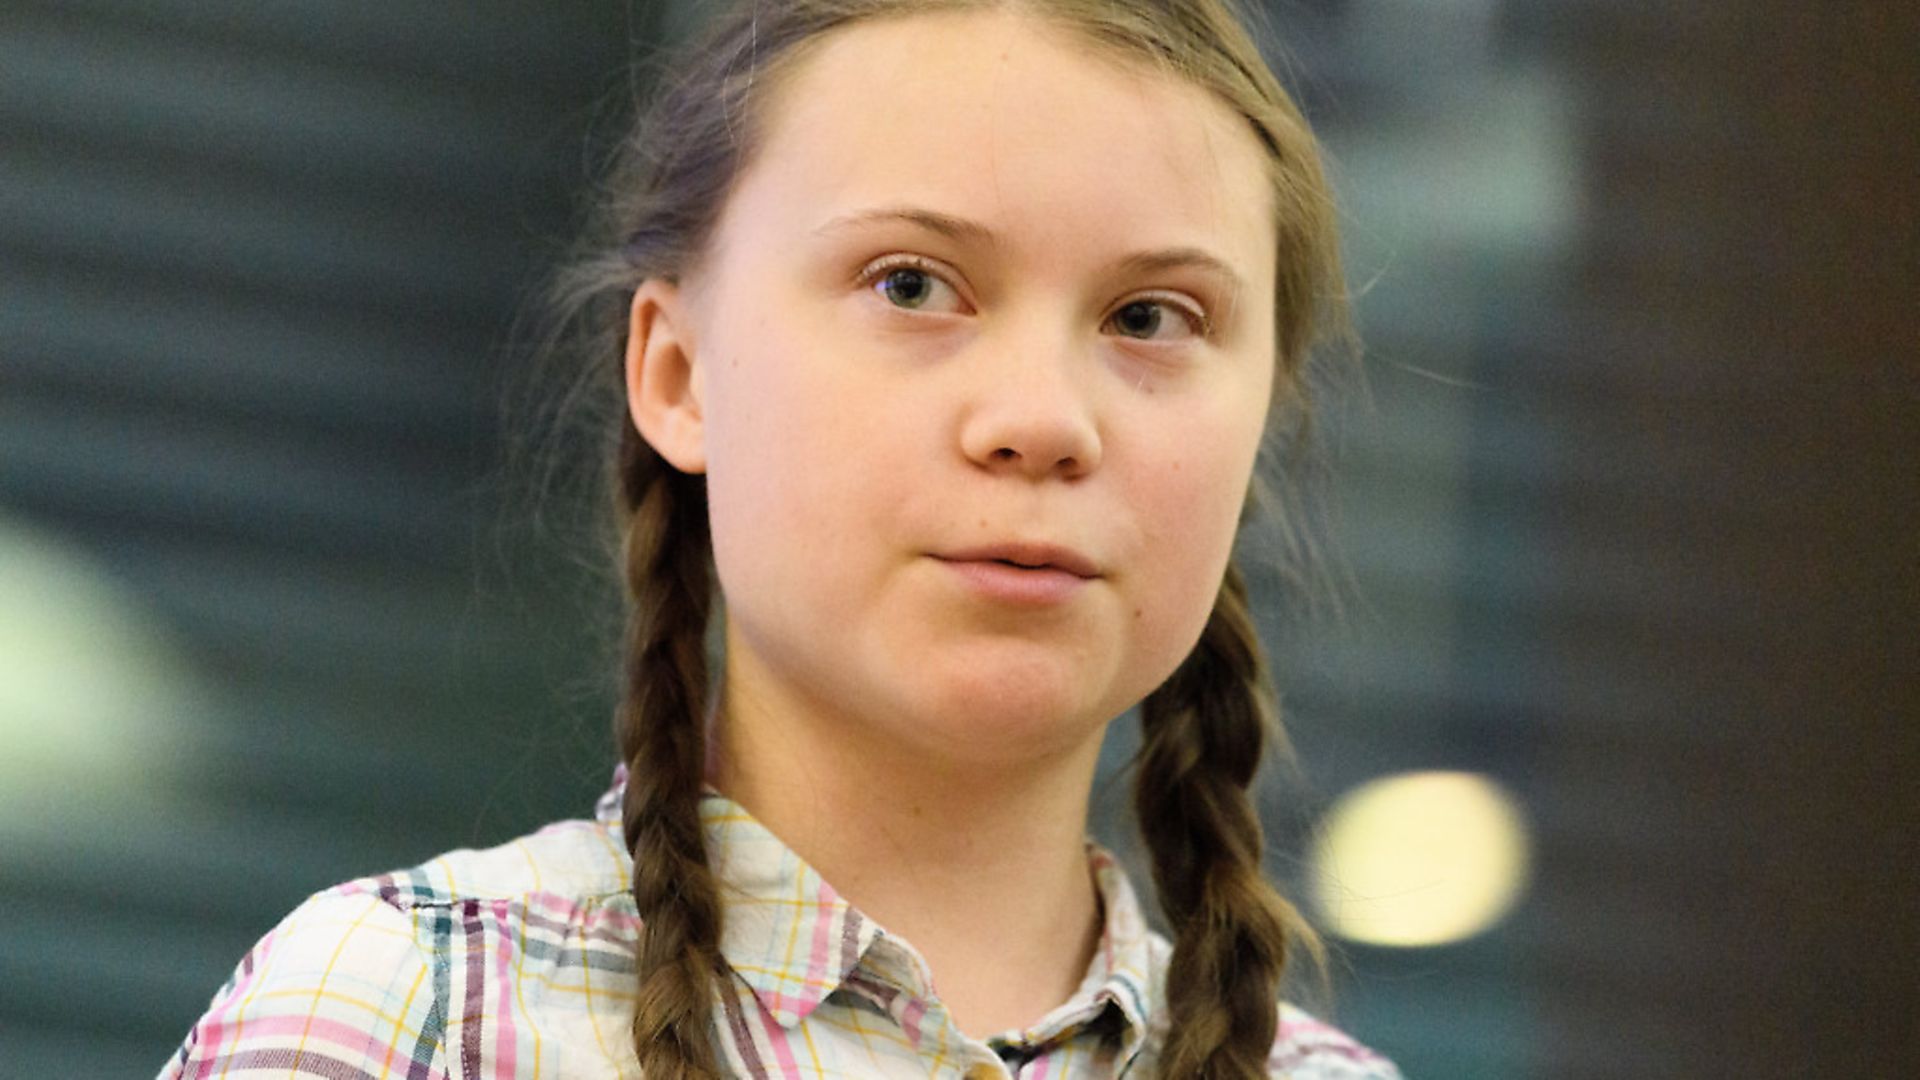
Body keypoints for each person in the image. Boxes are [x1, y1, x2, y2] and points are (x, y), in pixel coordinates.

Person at [160, 1, 1401, 1077]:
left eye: (1150, 315)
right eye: (911, 284)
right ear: (678, 373)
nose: (1040, 420)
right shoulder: (402, 1021)